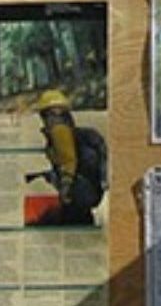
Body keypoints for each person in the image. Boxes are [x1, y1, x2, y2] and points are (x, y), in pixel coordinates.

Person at [25, 88, 107, 226]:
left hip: (76, 196)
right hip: (87, 196)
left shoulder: (58, 129)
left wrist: (65, 187)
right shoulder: (75, 132)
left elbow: (68, 160)